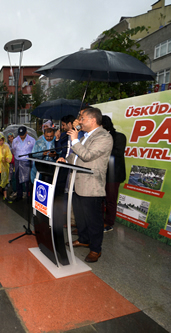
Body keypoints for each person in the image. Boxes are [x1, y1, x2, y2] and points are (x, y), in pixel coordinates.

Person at [57, 108, 113, 263]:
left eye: (82, 118)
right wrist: (65, 160)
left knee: (93, 220)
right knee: (81, 217)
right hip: (77, 183)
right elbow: (75, 156)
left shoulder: (104, 137)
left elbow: (87, 156)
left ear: (92, 120)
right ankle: (83, 239)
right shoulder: (86, 136)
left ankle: (96, 249)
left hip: (91, 185)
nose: (79, 121)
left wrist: (74, 139)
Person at [101, 116, 127, 233]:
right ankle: (99, 220)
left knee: (110, 200)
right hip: (101, 173)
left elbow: (118, 153)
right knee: (100, 200)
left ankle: (109, 223)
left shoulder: (119, 137)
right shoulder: (98, 137)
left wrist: (102, 147)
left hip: (114, 175)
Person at [12, 126, 35, 201]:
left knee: (27, 180)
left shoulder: (32, 140)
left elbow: (34, 151)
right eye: (20, 134)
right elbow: (13, 150)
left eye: (23, 134)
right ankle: (19, 195)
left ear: (26, 133)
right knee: (18, 179)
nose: (21, 136)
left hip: (27, 162)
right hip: (18, 161)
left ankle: (29, 196)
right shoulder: (15, 140)